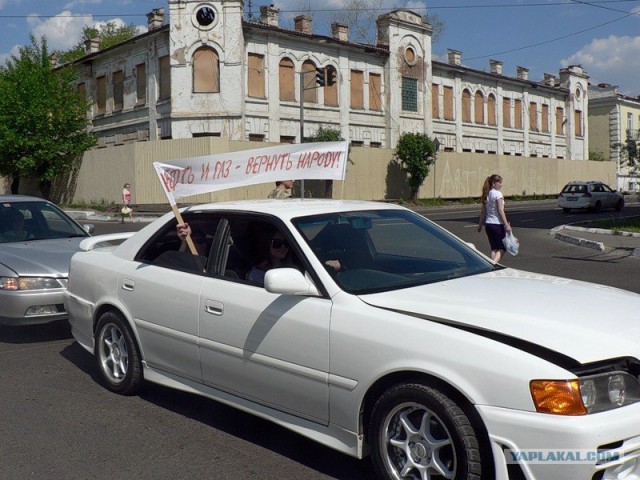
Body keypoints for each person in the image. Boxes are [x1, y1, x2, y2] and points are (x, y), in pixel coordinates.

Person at [477, 174, 512, 262]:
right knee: (503, 247)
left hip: (488, 225)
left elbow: (483, 212)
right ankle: (493, 265)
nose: (501, 185)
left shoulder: (487, 194)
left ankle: (492, 263)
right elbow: (500, 210)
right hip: (497, 224)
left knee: (494, 248)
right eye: (499, 182)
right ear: (493, 183)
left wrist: (480, 225)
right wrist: (506, 224)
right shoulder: (498, 194)